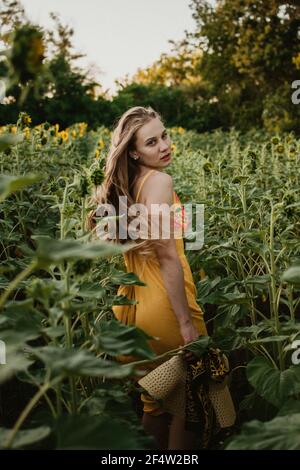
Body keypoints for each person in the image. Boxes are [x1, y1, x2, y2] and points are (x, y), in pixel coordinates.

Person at [87, 106, 208, 450]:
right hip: (167, 306)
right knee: (188, 407)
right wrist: (185, 322)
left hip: (136, 307)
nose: (164, 145)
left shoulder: (130, 185)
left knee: (155, 405)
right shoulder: (160, 181)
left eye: (165, 135)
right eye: (152, 142)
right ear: (135, 151)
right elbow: (167, 255)